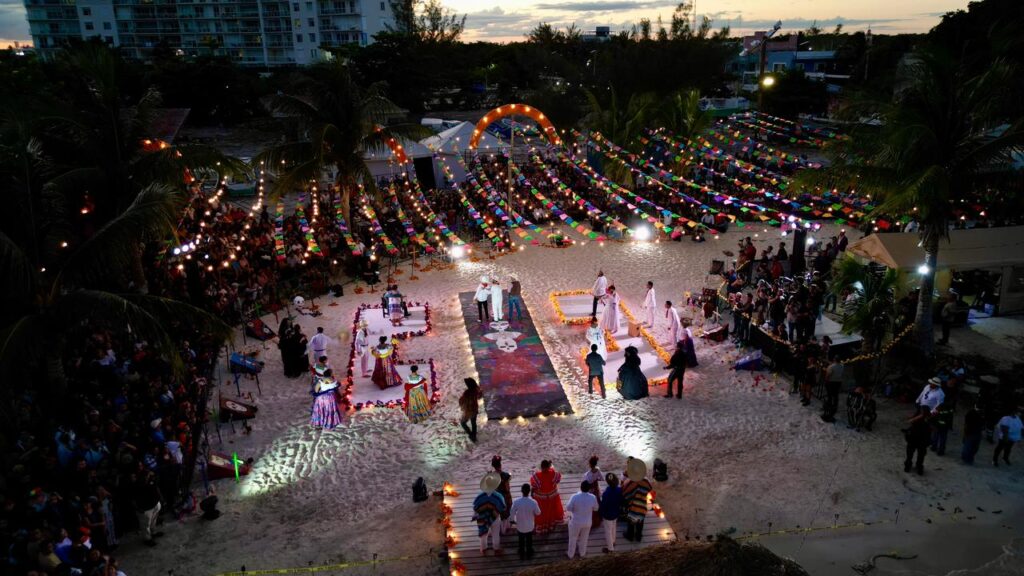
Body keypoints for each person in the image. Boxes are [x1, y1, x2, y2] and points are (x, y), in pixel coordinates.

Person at [473, 472, 506, 556]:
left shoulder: (479, 497)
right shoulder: (498, 496)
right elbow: (502, 507)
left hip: (482, 518)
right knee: (495, 534)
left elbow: (475, 507)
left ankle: (483, 549)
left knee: (483, 533)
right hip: (495, 517)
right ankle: (496, 549)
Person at [565, 481, 599, 559]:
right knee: (584, 538)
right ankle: (582, 553)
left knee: (573, 538)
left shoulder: (574, 497)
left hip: (576, 522)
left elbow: (568, 508)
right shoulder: (593, 497)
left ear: (580, 487)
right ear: (589, 489)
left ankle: (571, 554)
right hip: (587, 522)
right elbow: (596, 509)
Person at [621, 458, 652, 542]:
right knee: (640, 520)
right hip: (643, 504)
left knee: (631, 521)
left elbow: (625, 494)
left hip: (633, 506)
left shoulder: (630, 482)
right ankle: (638, 536)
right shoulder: (646, 481)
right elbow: (650, 490)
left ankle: (630, 535)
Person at [530, 460, 564, 534]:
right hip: (551, 497)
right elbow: (558, 479)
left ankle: (542, 527)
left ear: (541, 467)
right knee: (550, 511)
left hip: (541, 498)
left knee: (542, 512)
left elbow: (534, 485)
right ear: (548, 467)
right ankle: (550, 524)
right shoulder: (553, 473)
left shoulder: (537, 476)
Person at [509, 483, 541, 559]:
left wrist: (512, 520)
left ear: (521, 491)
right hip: (530, 526)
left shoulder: (516, 501)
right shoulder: (533, 502)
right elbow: (538, 513)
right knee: (529, 539)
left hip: (520, 525)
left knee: (521, 539)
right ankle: (529, 551)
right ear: (529, 491)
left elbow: (512, 512)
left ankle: (521, 551)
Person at [133, 471, 162, 547]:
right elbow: (132, 499)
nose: (148, 477)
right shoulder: (136, 485)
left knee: (153, 521)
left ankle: (153, 533)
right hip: (145, 509)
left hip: (155, 505)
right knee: (145, 525)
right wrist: (138, 508)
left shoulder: (151, 481)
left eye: (148, 475)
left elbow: (156, 489)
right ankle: (147, 539)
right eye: (146, 476)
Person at [904, 406, 932, 475]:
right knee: (920, 456)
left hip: (914, 439)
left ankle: (908, 466)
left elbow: (909, 421)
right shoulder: (928, 419)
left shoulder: (919, 419)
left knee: (910, 454)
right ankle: (919, 468)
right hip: (922, 440)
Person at [599, 473, 622, 553]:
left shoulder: (607, 493)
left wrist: (601, 513)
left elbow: (603, 505)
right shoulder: (619, 489)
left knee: (608, 531)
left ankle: (610, 548)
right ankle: (613, 541)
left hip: (608, 514)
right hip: (615, 512)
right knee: (613, 527)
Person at [491, 456, 513, 533]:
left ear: (493, 466)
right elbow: (509, 477)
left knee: (498, 512)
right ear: (500, 465)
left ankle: (499, 527)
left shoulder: (491, 475)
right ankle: (505, 527)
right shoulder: (505, 475)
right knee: (506, 511)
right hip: (505, 497)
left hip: (496, 497)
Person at [459, 378, 482, 442]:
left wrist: (461, 404)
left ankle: (471, 434)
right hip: (474, 409)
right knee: (473, 423)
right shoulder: (475, 391)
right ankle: (473, 436)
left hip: (468, 411)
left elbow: (461, 401)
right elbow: (480, 396)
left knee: (463, 423)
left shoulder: (467, 393)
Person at [583, 456, 603, 527]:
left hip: (591, 490)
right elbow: (602, 478)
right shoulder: (598, 470)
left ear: (590, 464)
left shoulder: (587, 474)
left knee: (590, 504)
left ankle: (591, 519)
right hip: (596, 489)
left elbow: (586, 483)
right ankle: (599, 518)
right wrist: (596, 479)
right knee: (597, 502)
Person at [821, 357, 843, 423]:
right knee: (835, 396)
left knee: (830, 396)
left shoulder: (831, 367)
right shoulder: (842, 366)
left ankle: (829, 410)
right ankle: (834, 407)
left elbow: (828, 375)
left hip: (831, 382)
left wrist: (826, 380)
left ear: (834, 360)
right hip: (838, 382)